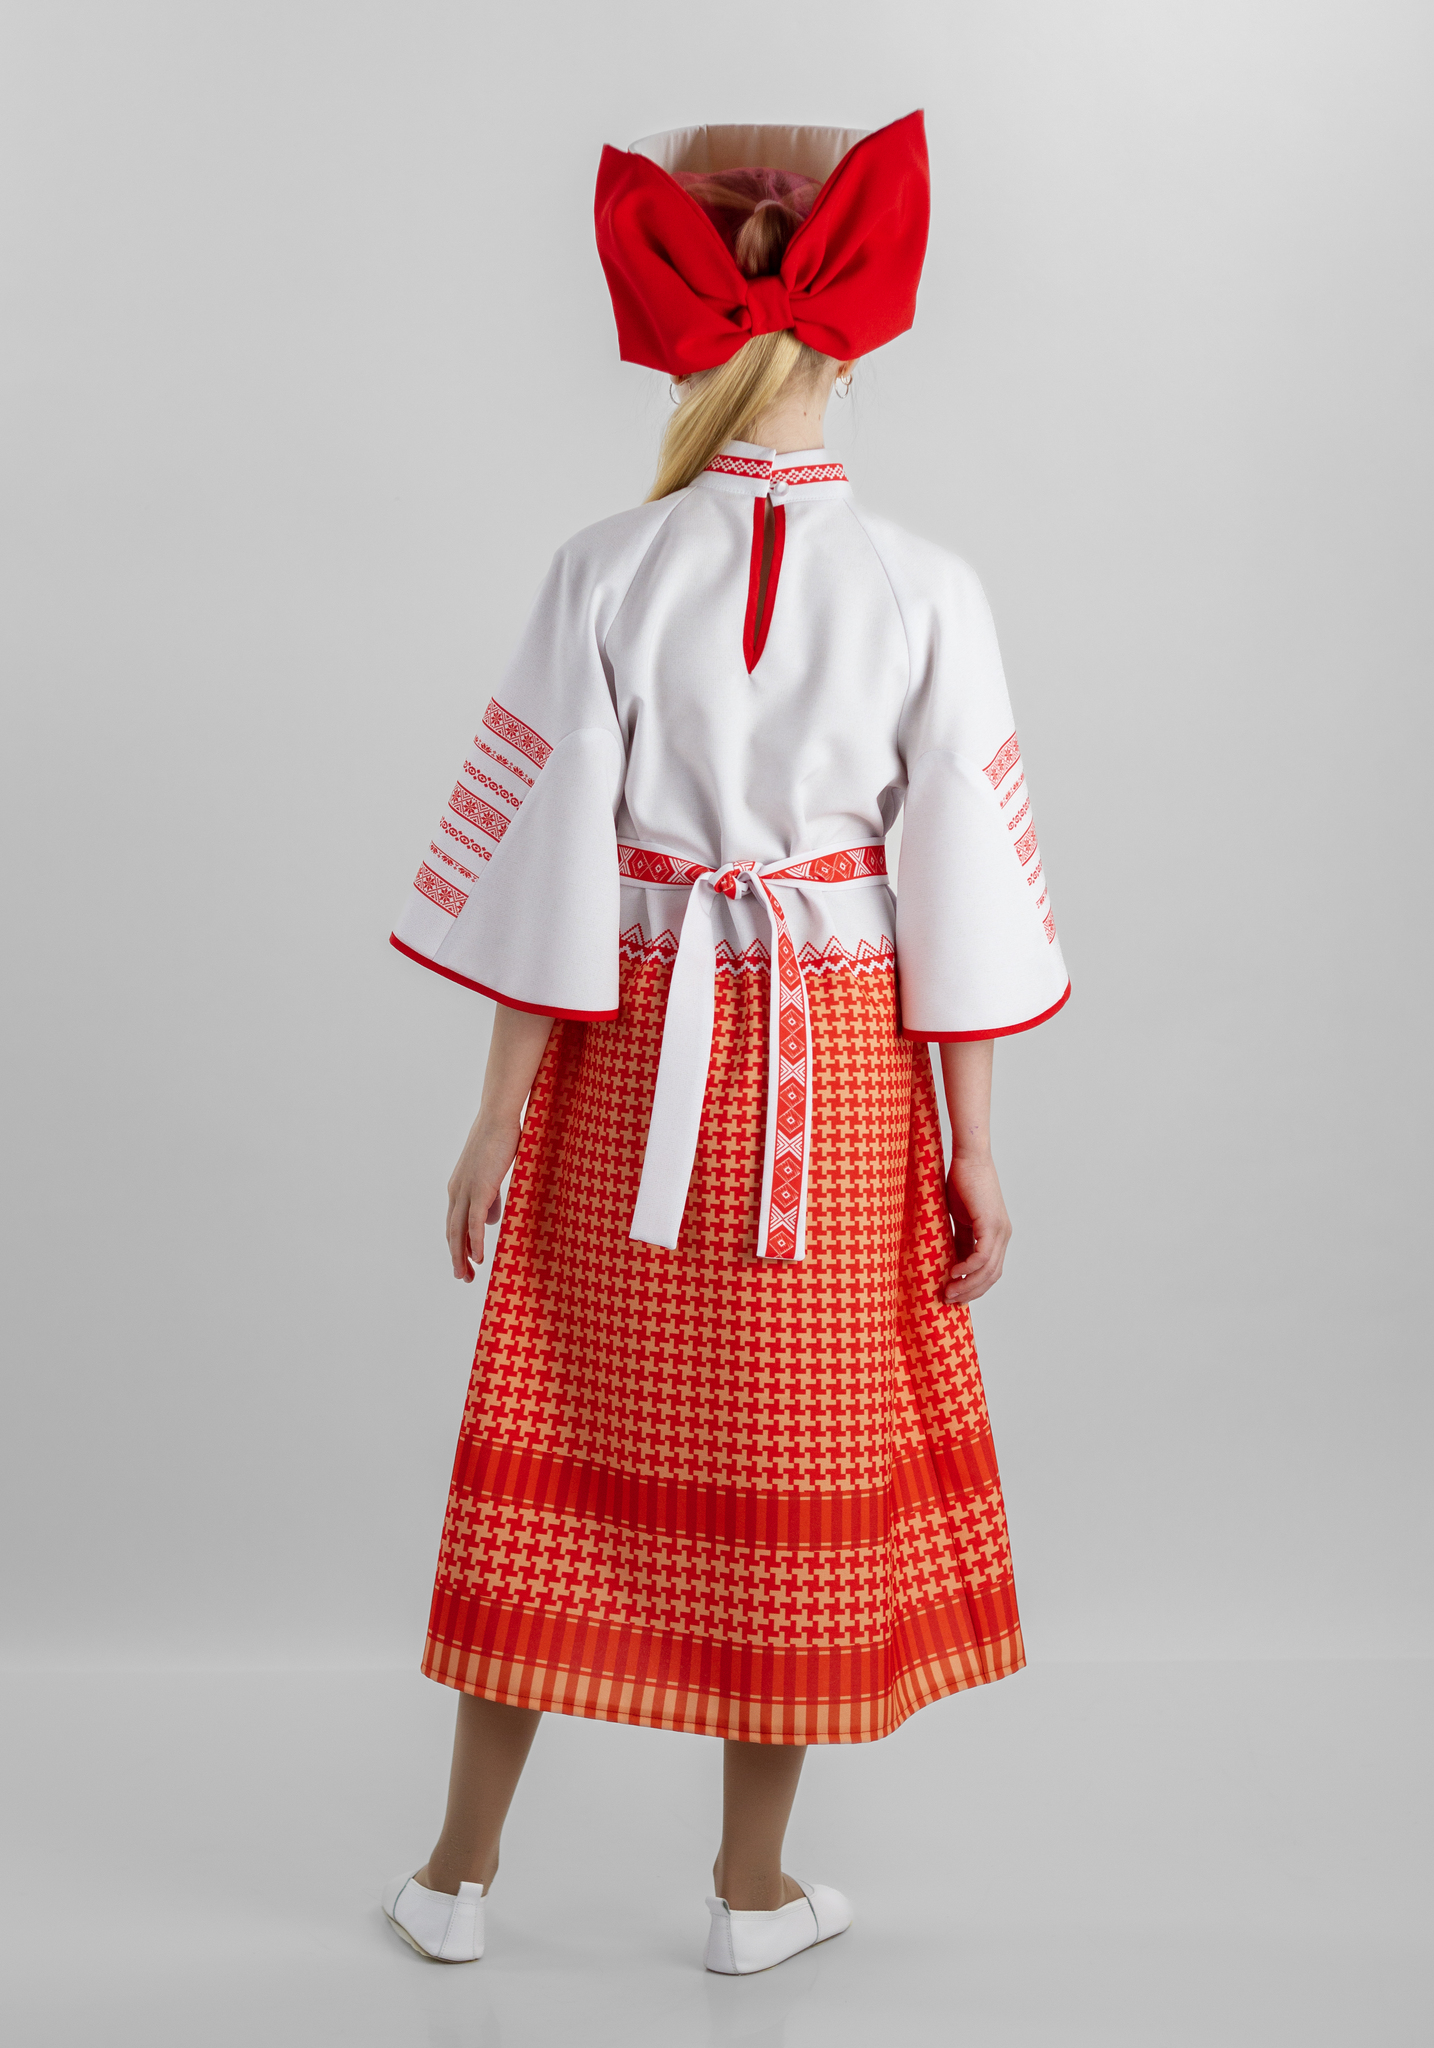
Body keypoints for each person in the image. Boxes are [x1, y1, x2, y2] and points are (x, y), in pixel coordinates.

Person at [381, 111, 1070, 1976]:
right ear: (854, 327)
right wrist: (972, 1144)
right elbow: (959, 895)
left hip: (623, 1054)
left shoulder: (604, 565)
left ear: (683, 310)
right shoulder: (928, 585)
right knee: (797, 1458)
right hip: (832, 1076)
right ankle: (750, 1898)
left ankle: (453, 1879)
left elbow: (546, 875)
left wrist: (492, 1121)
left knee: (551, 1425)